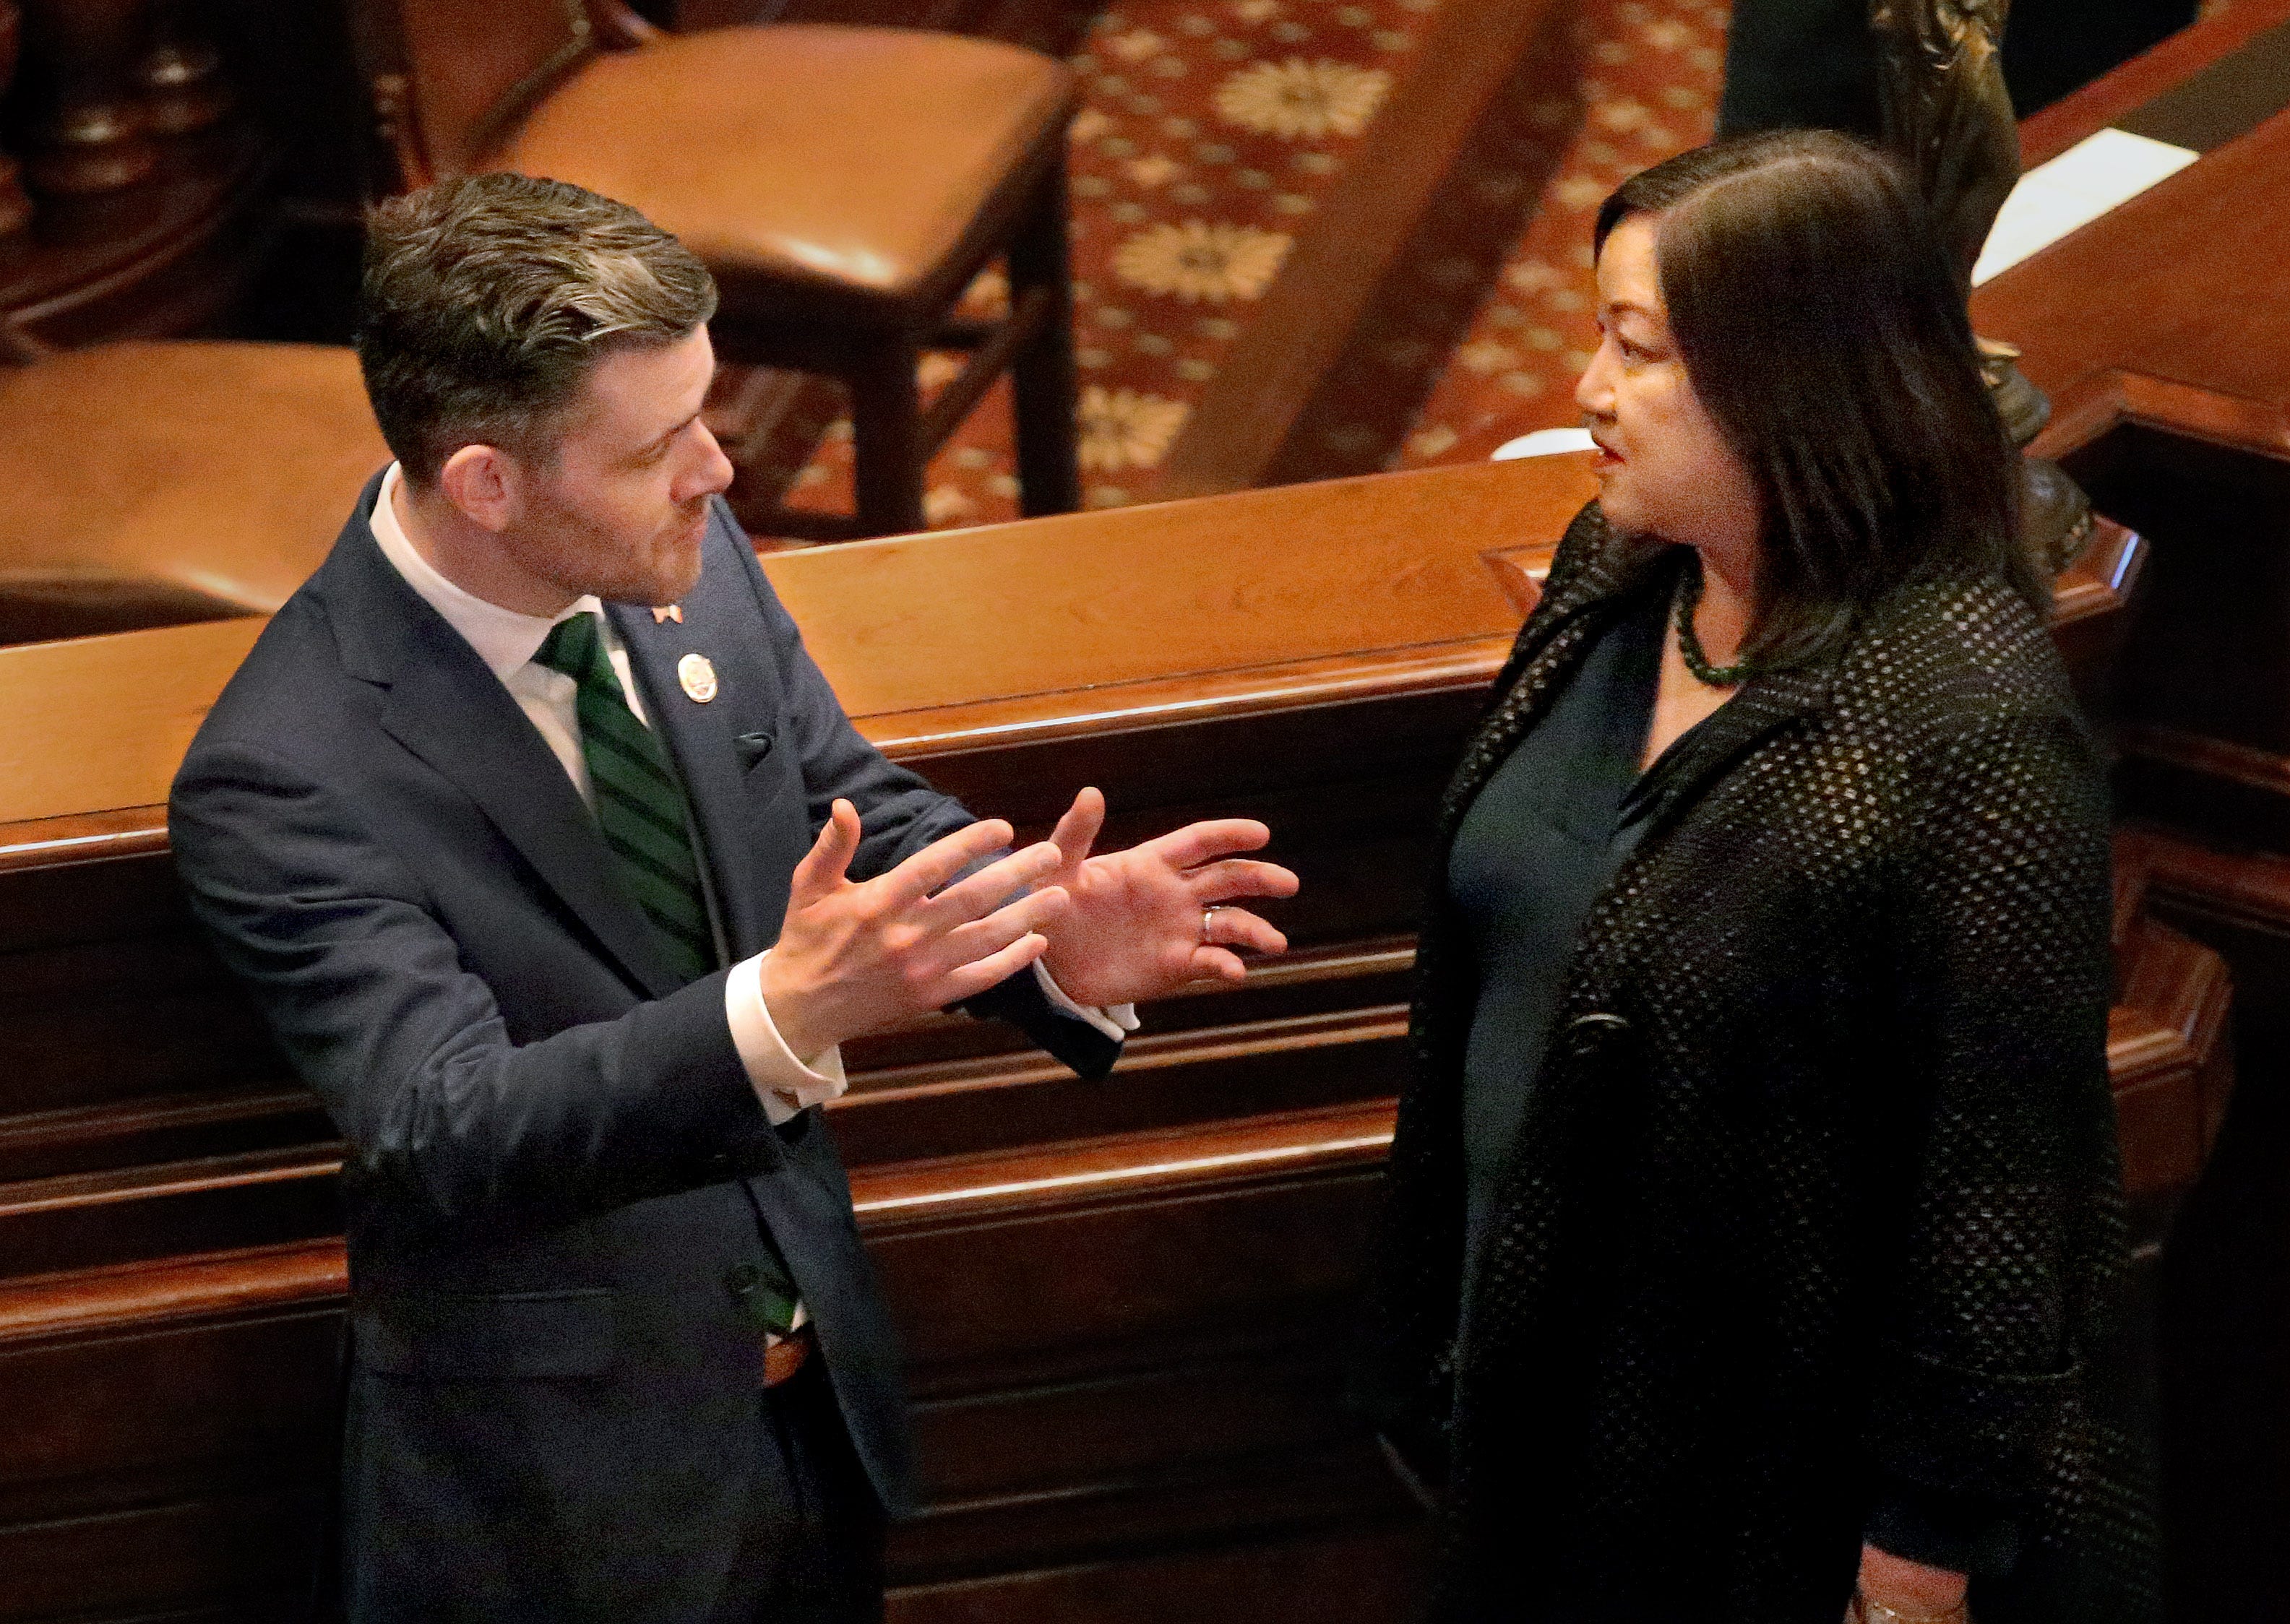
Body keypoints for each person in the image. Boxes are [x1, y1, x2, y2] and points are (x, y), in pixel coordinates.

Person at [167, 172, 1297, 1624]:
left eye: (704, 411)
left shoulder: (674, 555)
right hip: (561, 1499)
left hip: (811, 1405)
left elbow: (837, 802)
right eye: (657, 445)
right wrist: (776, 1014)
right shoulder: (288, 768)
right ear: (490, 484)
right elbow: (444, 1128)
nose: (721, 469)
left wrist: (1036, 929)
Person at [1353, 131, 2156, 1624]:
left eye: (1637, 349)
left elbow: (1995, 1191)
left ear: (1788, 376)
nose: (1588, 392)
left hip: (1765, 1505)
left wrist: (1913, 1563)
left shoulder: (1966, 730)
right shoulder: (1616, 578)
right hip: (1535, 1417)